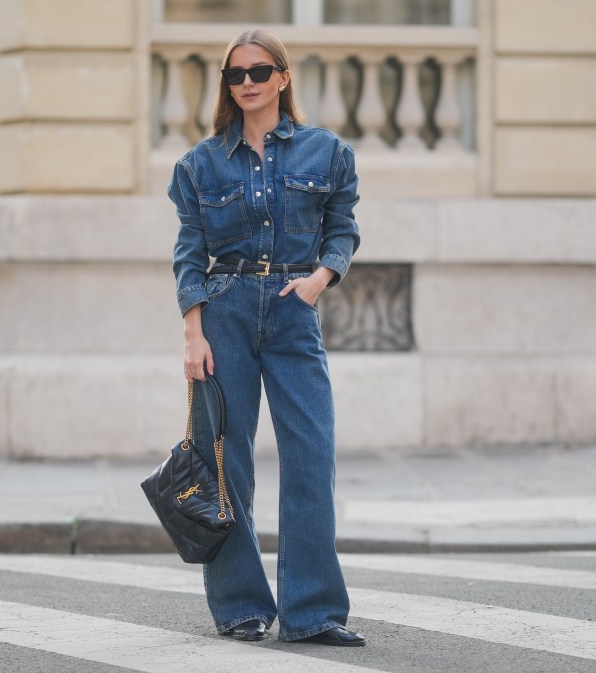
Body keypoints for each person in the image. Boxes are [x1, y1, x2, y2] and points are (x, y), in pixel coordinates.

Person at [168, 28, 364, 647]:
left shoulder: (325, 152)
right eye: (235, 75)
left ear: (282, 76)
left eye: (258, 71)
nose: (246, 83)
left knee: (311, 454)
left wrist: (318, 280)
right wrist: (192, 331)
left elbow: (343, 228)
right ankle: (241, 606)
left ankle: (313, 613)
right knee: (226, 463)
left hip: (290, 309)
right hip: (222, 312)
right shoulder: (200, 163)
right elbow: (189, 253)